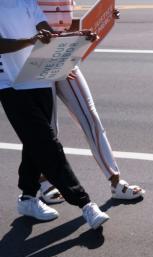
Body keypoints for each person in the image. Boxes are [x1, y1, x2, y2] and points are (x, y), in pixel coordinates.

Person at [0, 0, 108, 229]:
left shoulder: (26, 2)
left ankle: (28, 197)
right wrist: (30, 41)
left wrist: (75, 39)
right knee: (47, 143)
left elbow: (44, 30)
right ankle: (85, 203)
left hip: (38, 75)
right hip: (9, 83)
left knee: (35, 141)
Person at [37, 1, 144, 204]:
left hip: (65, 58)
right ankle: (43, 181)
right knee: (47, 129)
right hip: (38, 63)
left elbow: (65, 24)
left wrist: (102, 19)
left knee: (90, 117)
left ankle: (115, 181)